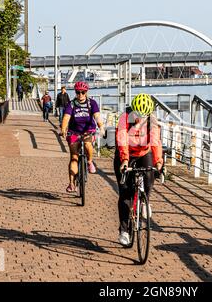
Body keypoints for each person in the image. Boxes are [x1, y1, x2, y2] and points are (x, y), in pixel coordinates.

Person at [113, 93, 163, 246]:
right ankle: (124, 231)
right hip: (126, 154)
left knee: (149, 178)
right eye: (137, 116)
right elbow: (122, 140)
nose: (139, 120)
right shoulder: (124, 118)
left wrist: (159, 162)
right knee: (126, 194)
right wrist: (125, 160)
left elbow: (155, 142)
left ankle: (145, 200)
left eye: (143, 116)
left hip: (143, 152)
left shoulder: (152, 121)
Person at [61, 81, 105, 193]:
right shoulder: (71, 104)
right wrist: (63, 128)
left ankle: (90, 162)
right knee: (74, 157)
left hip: (88, 131)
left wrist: (102, 127)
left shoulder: (92, 103)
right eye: (78, 92)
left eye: (83, 92)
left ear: (86, 92)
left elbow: (97, 116)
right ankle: (71, 183)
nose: (80, 95)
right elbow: (66, 117)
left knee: (87, 144)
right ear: (75, 92)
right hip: (74, 132)